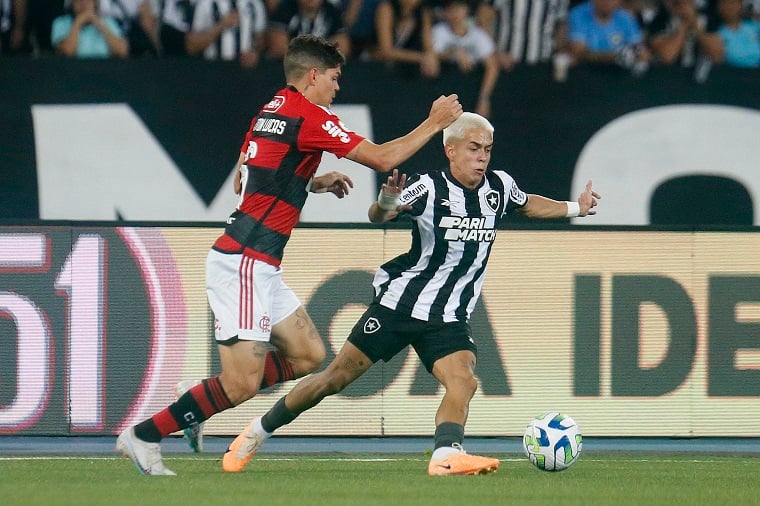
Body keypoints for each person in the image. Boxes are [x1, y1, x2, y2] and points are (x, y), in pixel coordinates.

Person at [115, 34, 463, 476]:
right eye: (335, 78)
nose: (338, 88)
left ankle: (200, 398)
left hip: (259, 262)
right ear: (314, 75)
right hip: (243, 259)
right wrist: (434, 123)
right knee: (240, 384)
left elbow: (248, 174)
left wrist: (310, 182)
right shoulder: (309, 116)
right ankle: (145, 435)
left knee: (308, 355)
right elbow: (382, 158)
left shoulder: (272, 108)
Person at [222, 112, 601, 476]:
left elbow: (527, 203)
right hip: (399, 305)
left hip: (449, 315)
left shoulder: (499, 187)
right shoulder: (428, 186)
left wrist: (575, 208)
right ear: (450, 150)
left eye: (487, 149)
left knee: (464, 380)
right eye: (473, 148)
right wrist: (388, 201)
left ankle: (445, 456)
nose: (482, 157)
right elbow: (379, 214)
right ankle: (257, 431)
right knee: (333, 379)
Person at [432, 0, 500, 118]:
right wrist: (455, 52)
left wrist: (484, 98)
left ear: (467, 10)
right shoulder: (438, 32)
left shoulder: (478, 35)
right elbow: (432, 55)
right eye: (451, 9)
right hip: (443, 94)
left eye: (459, 8)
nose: (455, 13)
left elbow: (492, 66)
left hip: (471, 95)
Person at [568, 0, 651, 74]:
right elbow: (578, 52)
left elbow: (639, 47)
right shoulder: (578, 14)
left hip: (619, 75)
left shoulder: (626, 18)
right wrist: (615, 57)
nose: (606, 2)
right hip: (587, 74)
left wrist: (641, 54)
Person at [186, 0, 268, 67]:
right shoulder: (205, 4)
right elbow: (192, 47)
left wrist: (255, 53)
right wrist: (221, 26)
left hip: (244, 71)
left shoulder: (254, 4)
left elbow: (260, 40)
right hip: (212, 69)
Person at [370, 0, 439, 77]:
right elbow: (385, 51)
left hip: (405, 69)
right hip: (374, 66)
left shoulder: (423, 12)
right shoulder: (386, 8)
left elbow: (428, 45)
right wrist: (421, 58)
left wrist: (431, 58)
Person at [267, 0, 351, 58]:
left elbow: (343, 47)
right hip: (285, 71)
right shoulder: (285, 9)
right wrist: (320, 54)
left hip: (321, 72)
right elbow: (278, 48)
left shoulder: (331, 11)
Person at [51, 0, 129, 57]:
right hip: (72, 72)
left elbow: (122, 51)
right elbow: (67, 51)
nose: (84, 4)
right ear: (71, 4)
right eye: (79, 1)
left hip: (105, 71)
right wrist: (78, 23)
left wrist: (100, 24)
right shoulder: (61, 23)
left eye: (88, 1)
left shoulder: (109, 22)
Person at [714, 0, 760, 67]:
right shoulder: (716, 34)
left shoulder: (754, 27)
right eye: (725, 3)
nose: (730, 7)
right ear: (719, 7)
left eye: (733, 3)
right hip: (732, 74)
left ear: (740, 5)